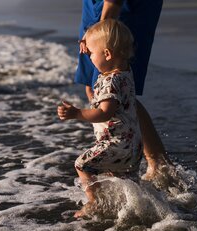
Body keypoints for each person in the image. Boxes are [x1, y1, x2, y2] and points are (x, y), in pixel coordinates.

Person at [57, 19, 143, 218]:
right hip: (134, 145)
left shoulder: (110, 81)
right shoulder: (125, 74)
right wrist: (92, 93)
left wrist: (77, 113)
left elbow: (105, 112)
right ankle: (136, 209)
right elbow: (112, 102)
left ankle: (94, 203)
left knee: (82, 164)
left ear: (107, 54)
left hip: (116, 143)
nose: (89, 57)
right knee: (127, 183)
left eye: (92, 54)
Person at [75, 0, 169, 179]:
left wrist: (76, 114)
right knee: (92, 87)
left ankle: (155, 162)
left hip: (124, 7)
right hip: (93, 5)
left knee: (116, 88)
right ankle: (116, 156)